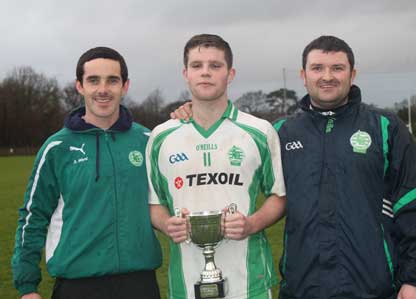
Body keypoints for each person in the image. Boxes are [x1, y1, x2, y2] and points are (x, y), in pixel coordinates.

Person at [275, 36, 416, 299]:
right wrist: (189, 114)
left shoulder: (386, 127)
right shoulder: (281, 133)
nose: (327, 76)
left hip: (373, 288)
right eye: (317, 68)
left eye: (337, 68)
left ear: (352, 75)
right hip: (301, 289)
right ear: (303, 75)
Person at [12, 47, 162, 299]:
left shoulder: (148, 142)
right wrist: (27, 286)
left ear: (125, 86)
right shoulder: (57, 148)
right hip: (78, 286)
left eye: (112, 80)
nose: (102, 89)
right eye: (93, 80)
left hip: (140, 285)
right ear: (79, 86)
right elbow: (33, 216)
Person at [147, 34, 286, 299]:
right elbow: (154, 203)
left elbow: (278, 196)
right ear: (185, 73)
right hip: (185, 283)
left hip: (250, 283)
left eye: (215, 65)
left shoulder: (259, 131)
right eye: (197, 66)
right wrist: (167, 225)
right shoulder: (161, 137)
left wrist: (252, 223)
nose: (206, 73)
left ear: (230, 73)